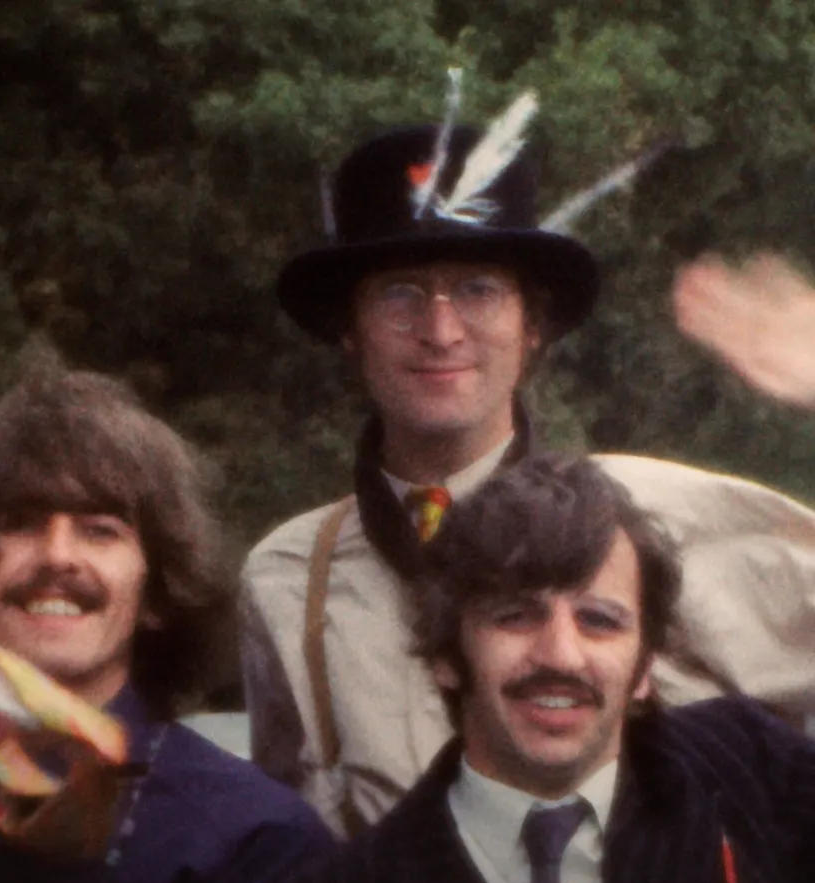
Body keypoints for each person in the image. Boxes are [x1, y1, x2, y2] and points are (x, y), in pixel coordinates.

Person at [238, 112, 815, 840]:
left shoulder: (657, 514)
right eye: (399, 294)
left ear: (531, 326)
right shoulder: (290, 576)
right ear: (350, 332)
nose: (441, 330)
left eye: (478, 290)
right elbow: (285, 845)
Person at [250, 453, 815, 883]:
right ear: (447, 655)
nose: (561, 655)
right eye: (515, 616)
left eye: (599, 621)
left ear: (644, 667)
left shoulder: (754, 773)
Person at [0, 359, 334, 883]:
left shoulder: (251, 840)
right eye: (21, 524)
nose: (57, 556)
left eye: (99, 531)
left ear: (156, 593)